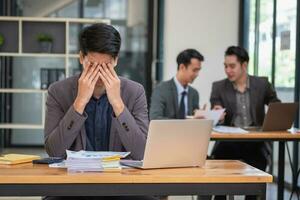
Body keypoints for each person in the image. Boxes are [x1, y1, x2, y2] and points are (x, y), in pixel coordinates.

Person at [44, 23, 156, 200]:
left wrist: (118, 104)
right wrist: (79, 102)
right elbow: (54, 150)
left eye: (106, 66)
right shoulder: (58, 91)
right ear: (81, 57)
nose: (99, 74)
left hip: (121, 183)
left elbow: (142, 152)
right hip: (73, 184)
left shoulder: (135, 92)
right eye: (92, 65)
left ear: (116, 60)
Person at [210, 46, 280, 200]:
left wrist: (272, 118)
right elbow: (215, 109)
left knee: (255, 182)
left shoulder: (262, 84)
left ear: (244, 65)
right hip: (229, 142)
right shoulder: (219, 87)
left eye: (232, 66)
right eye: (225, 66)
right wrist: (217, 114)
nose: (228, 70)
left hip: (255, 142)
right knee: (219, 179)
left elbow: (276, 104)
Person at [150, 49, 204, 120]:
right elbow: (155, 118)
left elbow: (194, 118)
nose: (197, 74)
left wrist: (202, 117)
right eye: (194, 70)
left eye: (198, 70)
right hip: (168, 131)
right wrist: (185, 123)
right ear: (182, 67)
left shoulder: (194, 93)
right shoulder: (161, 90)